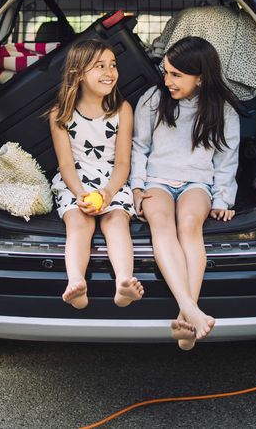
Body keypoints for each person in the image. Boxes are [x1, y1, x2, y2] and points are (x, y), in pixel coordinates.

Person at [131, 36, 242, 349]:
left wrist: (222, 199)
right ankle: (191, 311)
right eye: (165, 72)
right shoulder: (153, 99)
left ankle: (186, 313)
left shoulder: (223, 110)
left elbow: (225, 160)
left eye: (176, 75)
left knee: (190, 225)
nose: (167, 81)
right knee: (161, 224)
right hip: (157, 180)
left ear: (201, 77)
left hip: (197, 182)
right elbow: (139, 147)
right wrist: (137, 187)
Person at [47, 39, 144, 310]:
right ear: (78, 74)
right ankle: (76, 283)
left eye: (113, 65)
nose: (110, 72)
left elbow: (124, 162)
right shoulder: (61, 114)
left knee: (116, 223)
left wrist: (109, 192)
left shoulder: (122, 110)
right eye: (99, 66)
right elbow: (66, 164)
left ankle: (124, 282)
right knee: (79, 224)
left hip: (112, 179)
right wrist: (79, 194)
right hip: (75, 180)